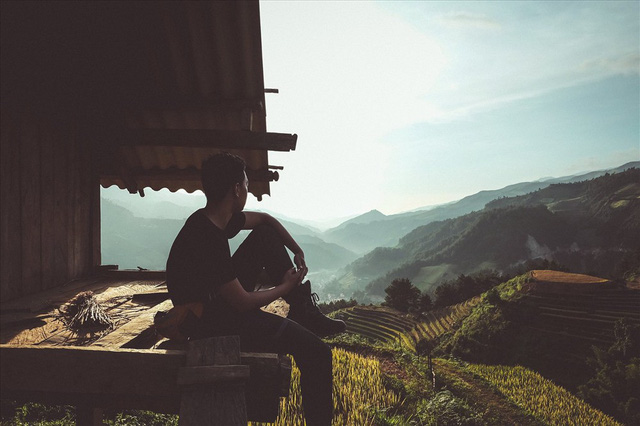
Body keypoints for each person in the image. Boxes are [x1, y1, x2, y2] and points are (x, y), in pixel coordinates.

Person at [166, 152, 346, 426]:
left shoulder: (213, 219)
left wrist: (296, 249)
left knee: (264, 235)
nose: (248, 190)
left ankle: (302, 308)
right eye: (247, 184)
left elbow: (265, 220)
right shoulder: (207, 238)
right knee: (318, 353)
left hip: (218, 304)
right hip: (215, 323)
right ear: (236, 189)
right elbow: (242, 303)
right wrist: (285, 285)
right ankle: (301, 309)